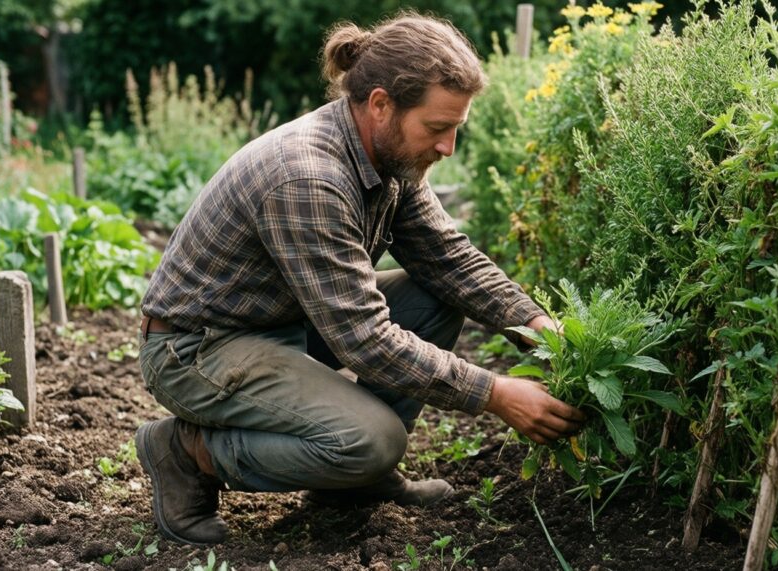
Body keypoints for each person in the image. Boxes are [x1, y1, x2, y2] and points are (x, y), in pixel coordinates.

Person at [135, 12, 585, 547]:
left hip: (281, 322)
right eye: (438, 128)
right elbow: (365, 341)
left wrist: (538, 327)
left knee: (433, 295)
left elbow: (449, 260)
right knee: (372, 441)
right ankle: (190, 454)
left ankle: (350, 483)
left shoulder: (389, 157)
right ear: (380, 104)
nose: (447, 148)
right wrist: (495, 393)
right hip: (198, 349)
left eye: (455, 129)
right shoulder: (308, 178)